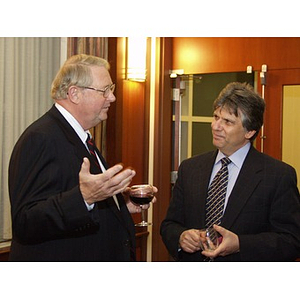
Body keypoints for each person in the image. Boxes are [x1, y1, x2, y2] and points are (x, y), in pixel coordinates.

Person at [8, 54, 156, 261]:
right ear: (75, 94)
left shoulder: (80, 136)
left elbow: (73, 198)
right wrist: (84, 197)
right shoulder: (41, 138)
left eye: (111, 89)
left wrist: (119, 204)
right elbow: (26, 222)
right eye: (105, 90)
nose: (112, 97)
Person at [160, 81, 300, 262]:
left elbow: (292, 241)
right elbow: (169, 225)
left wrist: (240, 243)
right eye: (216, 117)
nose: (216, 126)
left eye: (227, 121)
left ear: (250, 131)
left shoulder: (278, 176)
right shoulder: (190, 169)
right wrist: (180, 237)